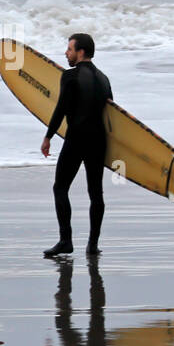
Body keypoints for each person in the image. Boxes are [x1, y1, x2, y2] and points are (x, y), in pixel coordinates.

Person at [41, 33, 112, 258]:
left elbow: (61, 108)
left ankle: (66, 240)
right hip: (99, 141)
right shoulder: (103, 78)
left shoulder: (70, 76)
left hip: (76, 139)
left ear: (80, 52)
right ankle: (92, 244)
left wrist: (48, 136)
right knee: (96, 193)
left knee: (60, 188)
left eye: (69, 49)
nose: (66, 53)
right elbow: (112, 116)